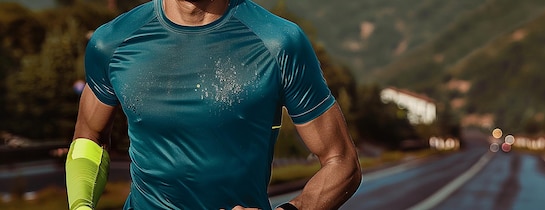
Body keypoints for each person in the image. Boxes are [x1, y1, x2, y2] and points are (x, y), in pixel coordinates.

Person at [64, 0, 362, 209]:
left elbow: (342, 161)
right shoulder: (112, 42)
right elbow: (89, 136)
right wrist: (80, 205)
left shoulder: (279, 42)